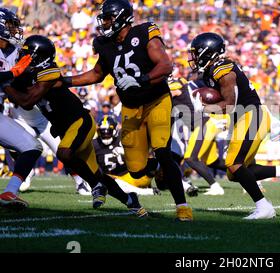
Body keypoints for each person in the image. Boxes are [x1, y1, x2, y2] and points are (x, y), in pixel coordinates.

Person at [60, 0, 191, 221]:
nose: (105, 23)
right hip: (131, 107)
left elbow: (166, 65)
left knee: (162, 150)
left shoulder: (145, 33)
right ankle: (159, 168)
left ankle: (182, 207)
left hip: (157, 100)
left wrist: (143, 79)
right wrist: (65, 81)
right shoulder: (105, 44)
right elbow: (97, 74)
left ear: (122, 17)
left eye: (109, 18)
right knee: (137, 169)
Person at [3, 35, 147, 217]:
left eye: (27, 55)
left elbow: (27, 101)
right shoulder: (28, 74)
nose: (22, 58)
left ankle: (95, 185)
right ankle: (130, 200)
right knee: (97, 173)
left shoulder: (50, 71)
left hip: (79, 122)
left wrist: (7, 85)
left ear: (39, 57)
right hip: (66, 128)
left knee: (64, 153)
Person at [189, 32, 280, 219]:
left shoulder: (222, 70)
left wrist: (205, 109)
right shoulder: (212, 70)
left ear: (208, 52)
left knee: (234, 164)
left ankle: (264, 207)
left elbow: (230, 103)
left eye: (196, 53)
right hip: (244, 118)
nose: (193, 58)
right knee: (236, 172)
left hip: (252, 115)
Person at [0, 8, 44, 209]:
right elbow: (9, 75)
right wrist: (13, 73)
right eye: (10, 25)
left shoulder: (14, 51)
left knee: (31, 147)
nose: (15, 29)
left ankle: (10, 192)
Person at [94, 115, 159, 196]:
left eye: (108, 132)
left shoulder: (123, 138)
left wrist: (126, 152)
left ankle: (161, 184)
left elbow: (142, 154)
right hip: (115, 178)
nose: (105, 135)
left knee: (153, 162)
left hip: (133, 176)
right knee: (108, 180)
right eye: (103, 132)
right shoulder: (95, 144)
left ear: (114, 131)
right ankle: (146, 191)